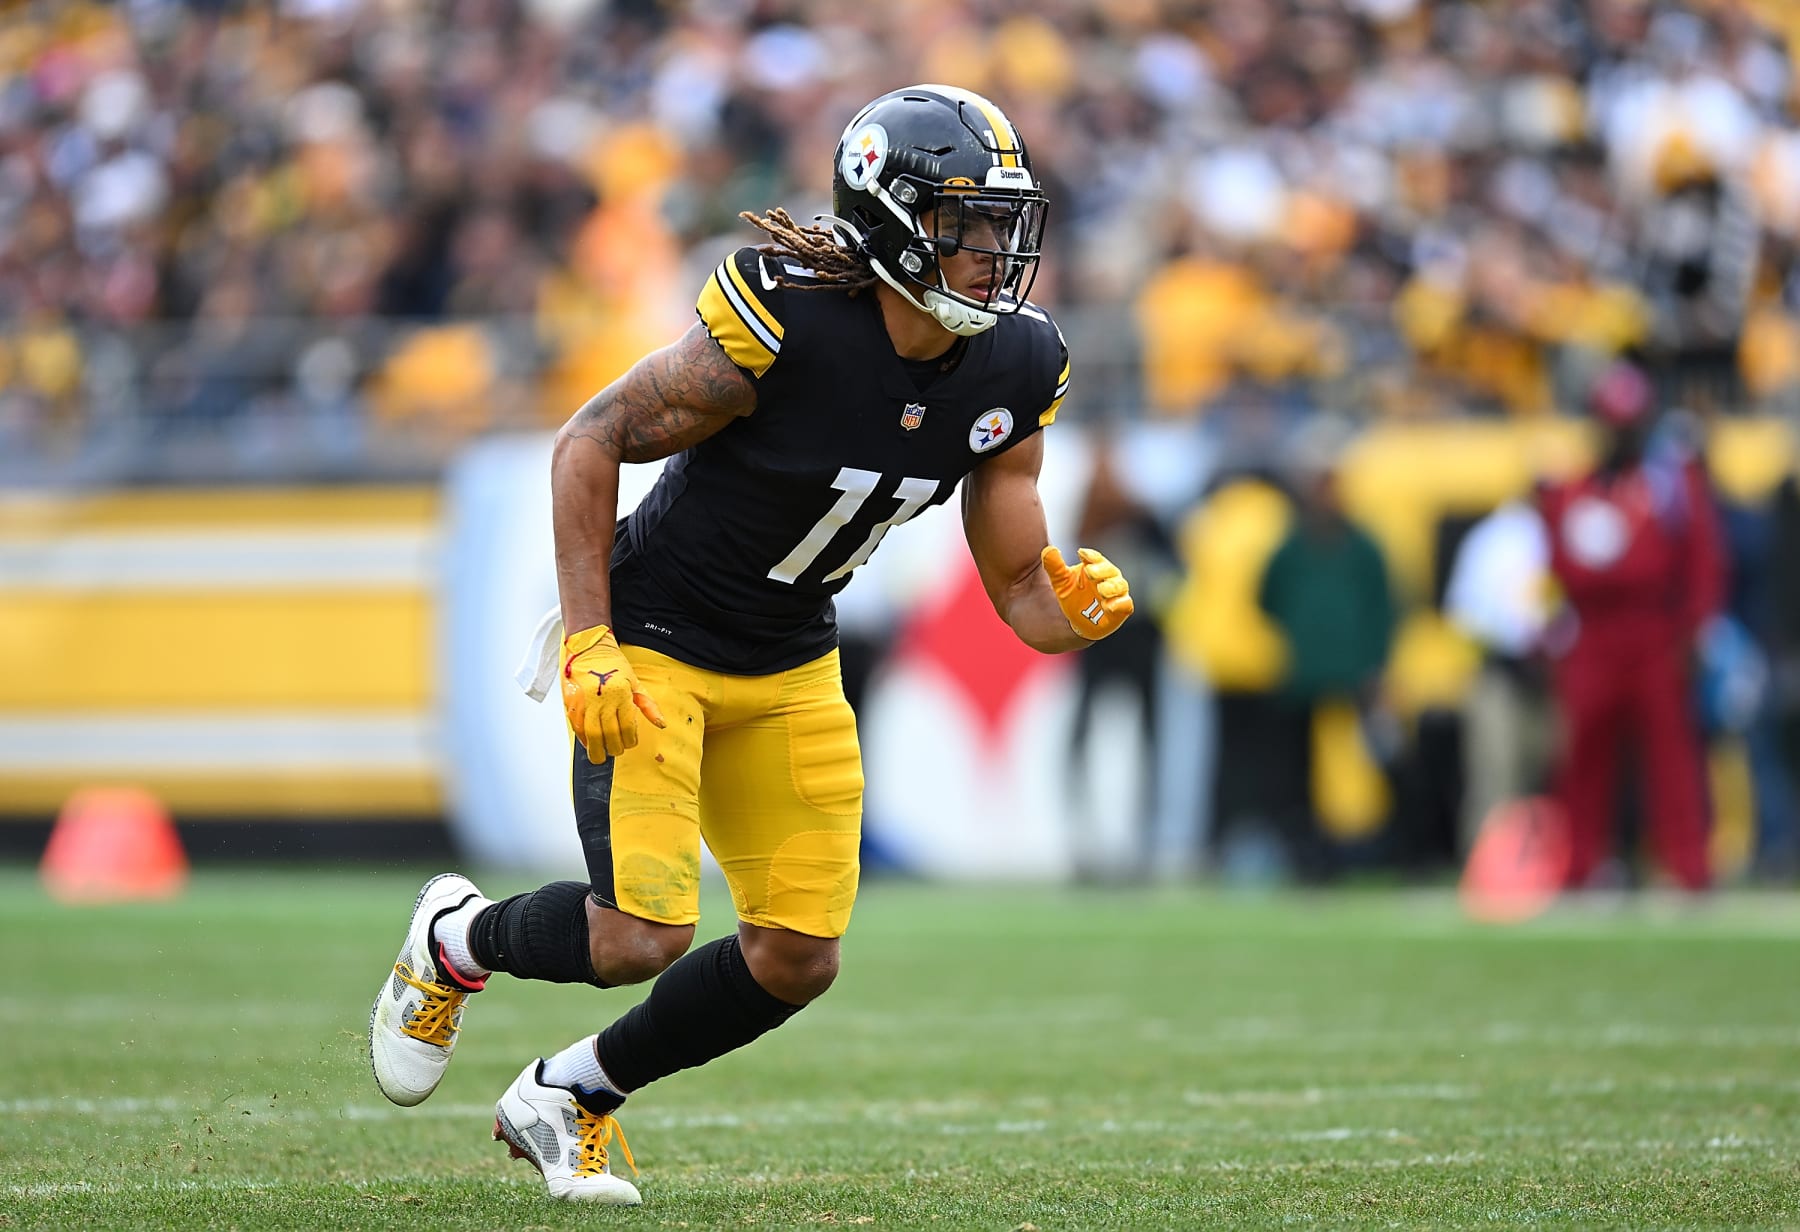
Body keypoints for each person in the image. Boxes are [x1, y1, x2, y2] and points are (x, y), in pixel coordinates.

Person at [367, 84, 1135, 1205]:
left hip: (789, 655)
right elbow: (591, 441)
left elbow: (1021, 584)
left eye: (1003, 223)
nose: (992, 252)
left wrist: (1068, 617)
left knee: (796, 956)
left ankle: (569, 1092)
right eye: (963, 222)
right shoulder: (788, 318)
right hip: (662, 628)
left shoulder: (1018, 365)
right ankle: (454, 941)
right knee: (639, 933)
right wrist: (590, 641)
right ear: (889, 217)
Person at [1535, 361, 1725, 892]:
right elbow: (1554, 567)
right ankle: (1578, 867)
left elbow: (1702, 561)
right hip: (1593, 633)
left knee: (1671, 755)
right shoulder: (1573, 490)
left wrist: (1696, 629)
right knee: (1583, 755)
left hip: (1653, 632)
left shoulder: (1669, 487)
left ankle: (1688, 868)